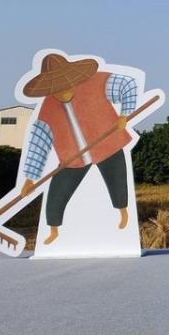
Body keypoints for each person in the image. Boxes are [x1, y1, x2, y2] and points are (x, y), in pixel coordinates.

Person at [19, 53, 138, 245]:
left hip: (107, 144)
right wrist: (29, 179)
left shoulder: (96, 82)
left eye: (63, 81)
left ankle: (123, 213)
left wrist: (125, 114)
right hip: (72, 158)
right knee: (58, 192)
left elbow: (128, 84)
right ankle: (54, 230)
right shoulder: (47, 110)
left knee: (118, 182)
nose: (61, 88)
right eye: (55, 84)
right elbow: (38, 144)